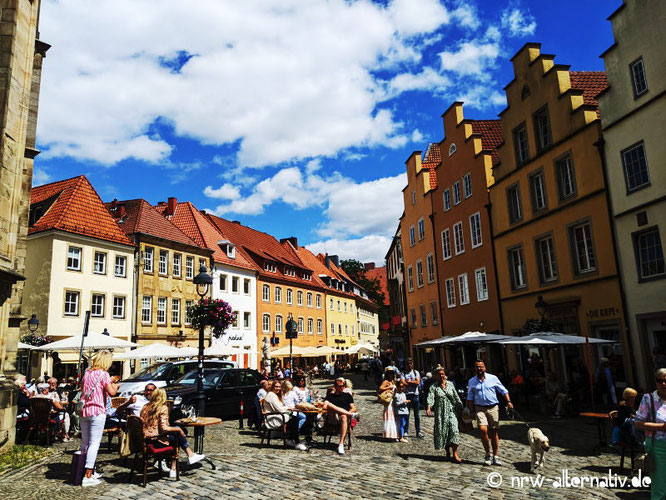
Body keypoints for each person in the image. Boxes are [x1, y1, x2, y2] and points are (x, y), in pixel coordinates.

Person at [140, 388, 205, 478]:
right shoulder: (162, 408)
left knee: (176, 435)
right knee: (177, 433)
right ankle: (176, 466)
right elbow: (164, 429)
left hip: (145, 440)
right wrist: (179, 430)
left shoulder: (145, 407)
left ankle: (178, 463)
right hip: (157, 442)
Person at [78, 350, 120, 487]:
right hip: (97, 411)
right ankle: (88, 475)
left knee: (85, 443)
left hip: (84, 410)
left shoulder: (87, 373)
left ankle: (84, 470)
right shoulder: (104, 374)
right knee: (94, 443)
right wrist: (116, 385)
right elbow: (112, 392)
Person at [466, 360, 513, 466]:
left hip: (493, 407)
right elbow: (470, 397)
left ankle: (495, 456)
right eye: (477, 367)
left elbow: (503, 390)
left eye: (481, 366)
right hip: (479, 408)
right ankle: (488, 454)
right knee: (483, 430)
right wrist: (471, 410)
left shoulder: (493, 378)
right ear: (475, 369)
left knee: (494, 432)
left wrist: (509, 402)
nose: (479, 368)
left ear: (485, 368)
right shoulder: (472, 381)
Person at [635, 368, 666, 500]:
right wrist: (662, 427)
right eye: (660, 380)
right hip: (657, 446)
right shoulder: (648, 399)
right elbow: (638, 423)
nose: (664, 384)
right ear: (656, 382)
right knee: (659, 486)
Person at [427, 367, 463, 462]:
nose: (441, 376)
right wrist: (429, 407)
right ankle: (447, 451)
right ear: (436, 376)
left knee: (454, 430)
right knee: (444, 431)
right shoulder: (433, 387)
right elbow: (431, 397)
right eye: (439, 374)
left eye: (442, 374)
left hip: (452, 410)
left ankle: (455, 453)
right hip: (441, 413)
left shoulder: (450, 384)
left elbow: (455, 396)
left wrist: (461, 407)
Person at [262, 380, 307, 451]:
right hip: (273, 418)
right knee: (294, 419)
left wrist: (288, 409)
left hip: (277, 415)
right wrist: (288, 408)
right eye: (276, 387)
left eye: (279, 387)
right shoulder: (271, 395)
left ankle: (292, 439)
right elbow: (279, 408)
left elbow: (280, 407)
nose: (278, 389)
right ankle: (295, 441)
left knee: (294, 419)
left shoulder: (274, 395)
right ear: (273, 387)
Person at [324, 377, 360, 455]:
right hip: (334, 416)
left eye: (343, 386)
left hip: (344, 417)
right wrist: (348, 413)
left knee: (344, 416)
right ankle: (351, 415)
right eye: (339, 386)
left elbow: (353, 408)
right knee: (329, 404)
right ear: (335, 387)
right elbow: (324, 406)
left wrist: (347, 413)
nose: (342, 388)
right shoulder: (331, 396)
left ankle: (341, 444)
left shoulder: (347, 395)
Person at [402, 359, 424, 439]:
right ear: (405, 364)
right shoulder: (403, 373)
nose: (409, 365)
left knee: (417, 415)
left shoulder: (416, 372)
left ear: (412, 364)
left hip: (415, 395)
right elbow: (402, 383)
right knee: (406, 414)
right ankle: (406, 432)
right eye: (407, 363)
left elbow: (417, 383)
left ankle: (418, 432)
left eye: (410, 363)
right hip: (406, 395)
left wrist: (408, 383)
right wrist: (412, 383)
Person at [379, 368, 399, 442]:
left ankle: (394, 434)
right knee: (389, 416)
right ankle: (388, 434)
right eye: (389, 373)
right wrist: (389, 387)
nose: (391, 375)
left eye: (392, 373)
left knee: (394, 417)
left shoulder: (393, 381)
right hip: (388, 401)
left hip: (393, 400)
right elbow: (380, 388)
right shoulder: (386, 381)